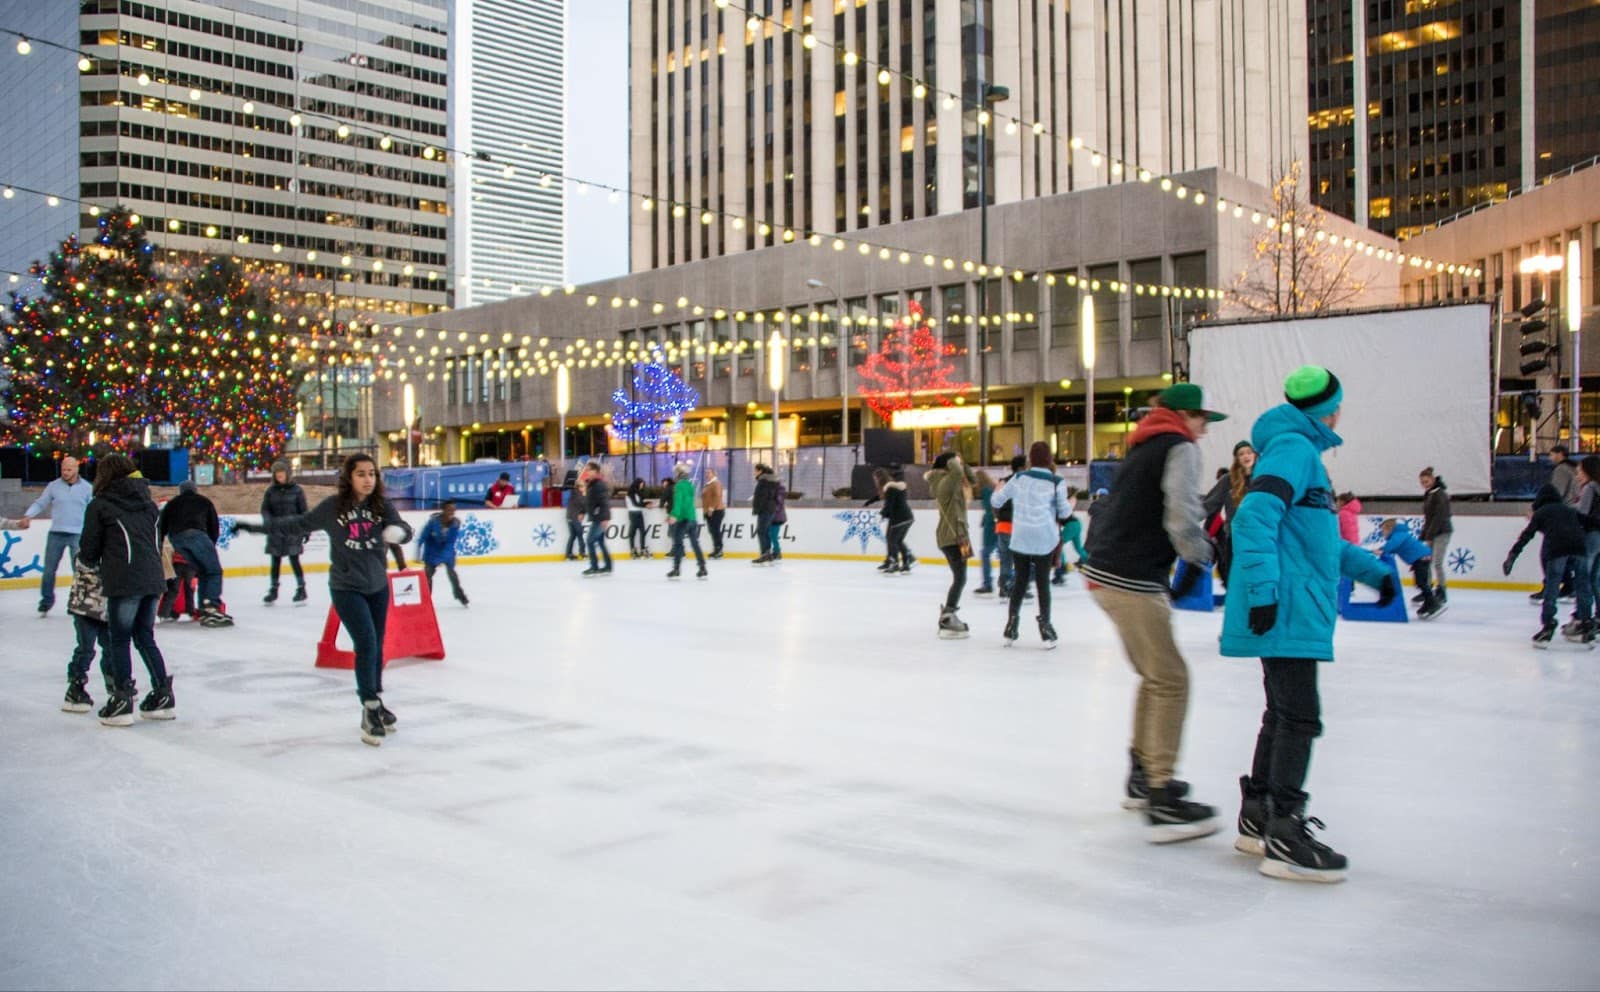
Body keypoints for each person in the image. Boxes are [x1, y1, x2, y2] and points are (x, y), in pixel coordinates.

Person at [1221, 366, 1395, 883]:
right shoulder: (1296, 449)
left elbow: (1316, 539)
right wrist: (1265, 592)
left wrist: (1374, 572)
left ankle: (1260, 815)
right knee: (1299, 717)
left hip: (1291, 599)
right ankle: (1286, 832)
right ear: (1329, 410)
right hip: (1287, 605)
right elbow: (1254, 516)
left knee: (1282, 713)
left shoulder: (1295, 450)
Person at [1081, 382, 1226, 841]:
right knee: (1171, 680)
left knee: (1155, 675)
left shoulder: (1143, 442)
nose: (1204, 429)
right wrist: (1202, 555)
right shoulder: (1178, 447)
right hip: (1132, 576)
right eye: (1202, 419)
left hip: (1106, 571)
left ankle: (1145, 774)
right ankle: (1161, 795)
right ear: (1187, 416)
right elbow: (1182, 513)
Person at [236, 454, 414, 745]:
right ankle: (369, 706)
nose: (368, 479)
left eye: (372, 474)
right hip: (346, 588)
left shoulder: (382, 506)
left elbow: (404, 529)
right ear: (349, 477)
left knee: (377, 646)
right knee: (366, 642)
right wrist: (255, 527)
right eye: (361, 474)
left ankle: (375, 701)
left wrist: (400, 533)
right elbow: (296, 523)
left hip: (378, 586)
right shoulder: (333, 508)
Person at [78, 453, 176, 726]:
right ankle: (163, 694)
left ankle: (122, 700)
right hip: (153, 579)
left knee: (118, 639)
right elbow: (156, 542)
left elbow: (88, 550)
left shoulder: (100, 505)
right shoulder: (149, 504)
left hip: (124, 581)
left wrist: (90, 561)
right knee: (145, 637)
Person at [990, 441, 1070, 647]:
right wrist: (1071, 505)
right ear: (1049, 458)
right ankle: (1045, 628)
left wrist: (997, 489)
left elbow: (996, 502)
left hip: (1021, 537)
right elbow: (1064, 513)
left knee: (1020, 582)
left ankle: (1011, 627)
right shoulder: (1057, 482)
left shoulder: (1018, 478)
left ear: (1030, 458)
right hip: (1044, 537)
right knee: (1043, 583)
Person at [1503, 483, 1595, 646]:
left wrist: (1512, 556)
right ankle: (1586, 624)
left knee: (1552, 588)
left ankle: (1548, 626)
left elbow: (1526, 536)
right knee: (1583, 586)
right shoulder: (1570, 510)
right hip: (1579, 548)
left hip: (1557, 550)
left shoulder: (1541, 513)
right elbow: (1590, 522)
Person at [22, 455, 93, 616]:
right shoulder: (54, 486)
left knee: (79, 570)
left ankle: (79, 601)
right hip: (56, 533)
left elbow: (93, 509)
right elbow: (41, 502)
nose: (66, 472)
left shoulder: (87, 488)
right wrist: (28, 515)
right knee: (49, 570)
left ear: (76, 469)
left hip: (77, 534)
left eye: (69, 469)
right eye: (63, 469)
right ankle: (46, 601)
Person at [159, 480, 232, 628]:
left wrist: (160, 545)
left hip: (177, 540)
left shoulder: (172, 503)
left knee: (203, 572)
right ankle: (210, 607)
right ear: (195, 490)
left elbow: (161, 526)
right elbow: (213, 526)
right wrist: (210, 544)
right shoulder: (203, 501)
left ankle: (205, 608)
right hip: (197, 535)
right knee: (213, 571)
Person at [926, 451, 976, 638]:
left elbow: (972, 480)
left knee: (961, 577)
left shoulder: (951, 481)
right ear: (948, 464)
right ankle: (948, 614)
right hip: (951, 538)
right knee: (960, 577)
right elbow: (956, 473)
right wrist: (955, 461)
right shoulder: (942, 483)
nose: (959, 464)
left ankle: (949, 612)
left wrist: (963, 463)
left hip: (961, 536)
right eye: (956, 461)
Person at [62, 553, 111, 714]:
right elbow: (84, 565)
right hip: (85, 608)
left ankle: (114, 682)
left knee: (111, 647)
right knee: (86, 649)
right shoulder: (86, 551)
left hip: (107, 608)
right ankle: (75, 687)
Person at [1203, 441, 1256, 583]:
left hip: (1259, 538)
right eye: (1241, 454)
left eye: (1249, 452)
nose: (1246, 456)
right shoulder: (1228, 480)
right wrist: (1186, 518)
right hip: (1235, 538)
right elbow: (1209, 503)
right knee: (1234, 581)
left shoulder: (1263, 479)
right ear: (1236, 458)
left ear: (1255, 455)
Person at [260, 459, 309, 605]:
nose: (280, 477)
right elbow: (265, 509)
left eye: (282, 474)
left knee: (294, 559)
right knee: (275, 561)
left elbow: (304, 511)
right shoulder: (270, 491)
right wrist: (268, 521)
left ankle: (301, 588)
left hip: (293, 530)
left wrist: (305, 530)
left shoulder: (297, 490)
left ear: (287, 474)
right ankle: (273, 589)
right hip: (276, 530)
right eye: (277, 474)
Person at [1378, 519, 1445, 620]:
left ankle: (1433, 602)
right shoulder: (1398, 535)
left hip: (1421, 558)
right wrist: (1382, 550)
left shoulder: (1399, 535)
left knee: (1421, 582)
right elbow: (1393, 548)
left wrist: (1382, 550)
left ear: (1389, 528)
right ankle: (1429, 602)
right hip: (1420, 559)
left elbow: (1392, 545)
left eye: (1383, 531)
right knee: (1420, 582)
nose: (1382, 533)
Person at [416, 500, 469, 606]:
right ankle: (426, 599)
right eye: (449, 510)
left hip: (447, 553)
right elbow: (422, 537)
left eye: (453, 510)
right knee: (427, 576)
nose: (452, 512)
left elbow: (450, 543)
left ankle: (459, 594)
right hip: (431, 553)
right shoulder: (433, 522)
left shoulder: (455, 524)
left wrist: (442, 558)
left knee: (452, 574)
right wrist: (417, 553)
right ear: (444, 510)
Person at [666, 462, 709, 580]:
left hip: (682, 520)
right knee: (695, 544)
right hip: (692, 518)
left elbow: (679, 502)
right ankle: (702, 567)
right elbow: (688, 503)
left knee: (678, 544)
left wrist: (674, 515)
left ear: (679, 474)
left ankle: (676, 569)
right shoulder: (690, 486)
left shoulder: (679, 486)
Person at [1418, 467, 1453, 605]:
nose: (1424, 484)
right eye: (1422, 482)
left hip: (1442, 532)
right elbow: (1428, 518)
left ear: (1433, 479)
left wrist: (1429, 537)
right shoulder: (1430, 493)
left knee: (1437, 562)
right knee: (1426, 562)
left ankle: (1441, 590)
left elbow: (1438, 518)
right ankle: (1427, 590)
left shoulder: (1440, 494)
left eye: (1426, 481)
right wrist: (1424, 536)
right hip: (1432, 533)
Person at [994, 455, 1026, 598]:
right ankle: (1016, 588)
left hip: (1002, 526)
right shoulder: (1024, 483)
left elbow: (995, 504)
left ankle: (1004, 587)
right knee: (1020, 561)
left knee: (1005, 559)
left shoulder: (1003, 482)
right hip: (1017, 527)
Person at [875, 467, 914, 574]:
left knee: (892, 540)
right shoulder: (895, 487)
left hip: (899, 518)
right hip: (906, 517)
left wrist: (882, 514)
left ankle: (895, 563)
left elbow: (889, 505)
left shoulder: (890, 488)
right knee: (897, 540)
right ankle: (907, 560)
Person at [1576, 455, 1600, 615]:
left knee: (1584, 576)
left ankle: (1584, 616)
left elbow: (1581, 512)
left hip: (1592, 535)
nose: (1577, 476)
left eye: (1579, 472)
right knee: (1596, 578)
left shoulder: (1589, 487)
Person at [582, 462, 613, 576]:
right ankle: (608, 566)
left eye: (589, 470)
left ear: (596, 471)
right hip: (597, 517)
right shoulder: (592, 484)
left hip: (600, 518)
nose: (587, 472)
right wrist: (582, 512)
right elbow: (590, 502)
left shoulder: (599, 485)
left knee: (590, 541)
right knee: (600, 542)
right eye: (586, 470)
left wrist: (605, 518)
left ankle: (594, 566)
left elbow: (604, 502)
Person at [1051, 488, 1086, 585]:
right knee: (1078, 548)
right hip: (1077, 523)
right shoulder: (1060, 505)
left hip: (1071, 525)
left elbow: (1056, 523)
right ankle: (1090, 563)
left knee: (1058, 545)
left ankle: (1061, 570)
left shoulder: (1056, 507)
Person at [751, 463, 781, 565]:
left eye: (755, 470)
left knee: (761, 531)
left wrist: (757, 508)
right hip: (770, 509)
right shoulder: (771, 481)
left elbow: (761, 497)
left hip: (765, 510)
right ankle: (767, 553)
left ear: (760, 471)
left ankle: (765, 553)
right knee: (765, 531)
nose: (754, 473)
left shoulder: (763, 481)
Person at [974, 470, 999, 594]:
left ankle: (988, 583)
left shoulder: (986, 491)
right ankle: (1007, 581)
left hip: (992, 527)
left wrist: (989, 521)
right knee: (1004, 555)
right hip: (997, 525)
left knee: (985, 554)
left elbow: (991, 509)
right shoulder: (991, 488)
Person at [702, 467, 726, 559]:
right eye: (706, 473)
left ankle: (719, 549)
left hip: (716, 511)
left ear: (714, 474)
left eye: (709, 473)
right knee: (712, 530)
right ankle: (716, 548)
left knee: (715, 530)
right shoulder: (708, 484)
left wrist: (711, 508)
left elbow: (717, 496)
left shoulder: (716, 483)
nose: (706, 474)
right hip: (709, 511)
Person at [625, 478, 650, 559]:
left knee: (642, 532)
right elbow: (635, 504)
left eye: (643, 485)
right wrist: (646, 505)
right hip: (633, 513)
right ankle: (632, 550)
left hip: (639, 513)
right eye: (641, 485)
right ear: (637, 484)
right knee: (632, 533)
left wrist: (647, 503)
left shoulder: (638, 493)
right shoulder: (630, 493)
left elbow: (640, 503)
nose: (642, 486)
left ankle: (642, 549)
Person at [564, 476, 587, 560]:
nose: (585, 488)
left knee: (573, 536)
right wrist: (585, 494)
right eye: (583, 486)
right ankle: (582, 553)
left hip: (571, 516)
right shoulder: (577, 493)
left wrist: (583, 512)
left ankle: (568, 554)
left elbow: (582, 506)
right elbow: (584, 504)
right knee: (580, 535)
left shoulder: (575, 493)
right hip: (574, 517)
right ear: (579, 487)